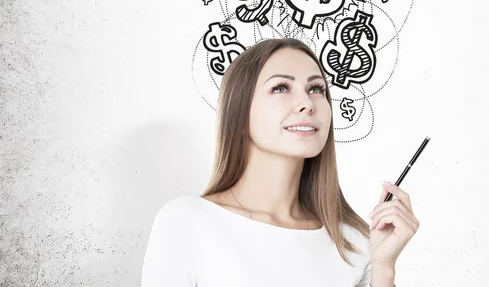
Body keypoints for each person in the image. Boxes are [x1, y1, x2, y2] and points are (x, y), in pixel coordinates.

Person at [141, 38, 419, 286]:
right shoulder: (187, 222)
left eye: (316, 88)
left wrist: (384, 270)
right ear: (239, 111)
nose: (307, 103)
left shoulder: (354, 242)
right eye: (281, 87)